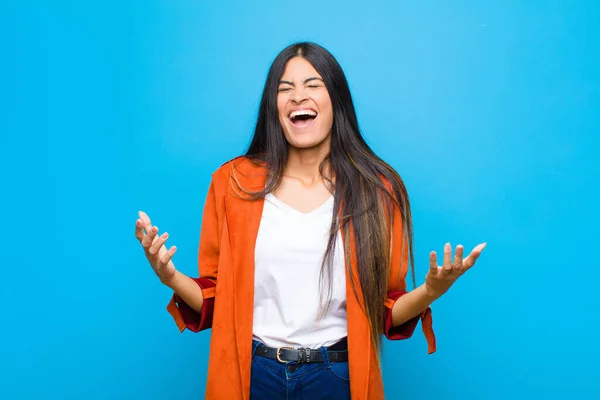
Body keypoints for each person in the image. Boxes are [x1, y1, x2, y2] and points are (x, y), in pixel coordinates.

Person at [134, 41, 486, 400]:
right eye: (285, 89)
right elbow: (215, 297)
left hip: (336, 377)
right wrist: (169, 276)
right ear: (274, 107)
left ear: (337, 101)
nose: (298, 96)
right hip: (252, 375)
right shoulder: (232, 183)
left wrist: (431, 291)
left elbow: (386, 310)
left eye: (313, 85)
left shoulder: (377, 190)